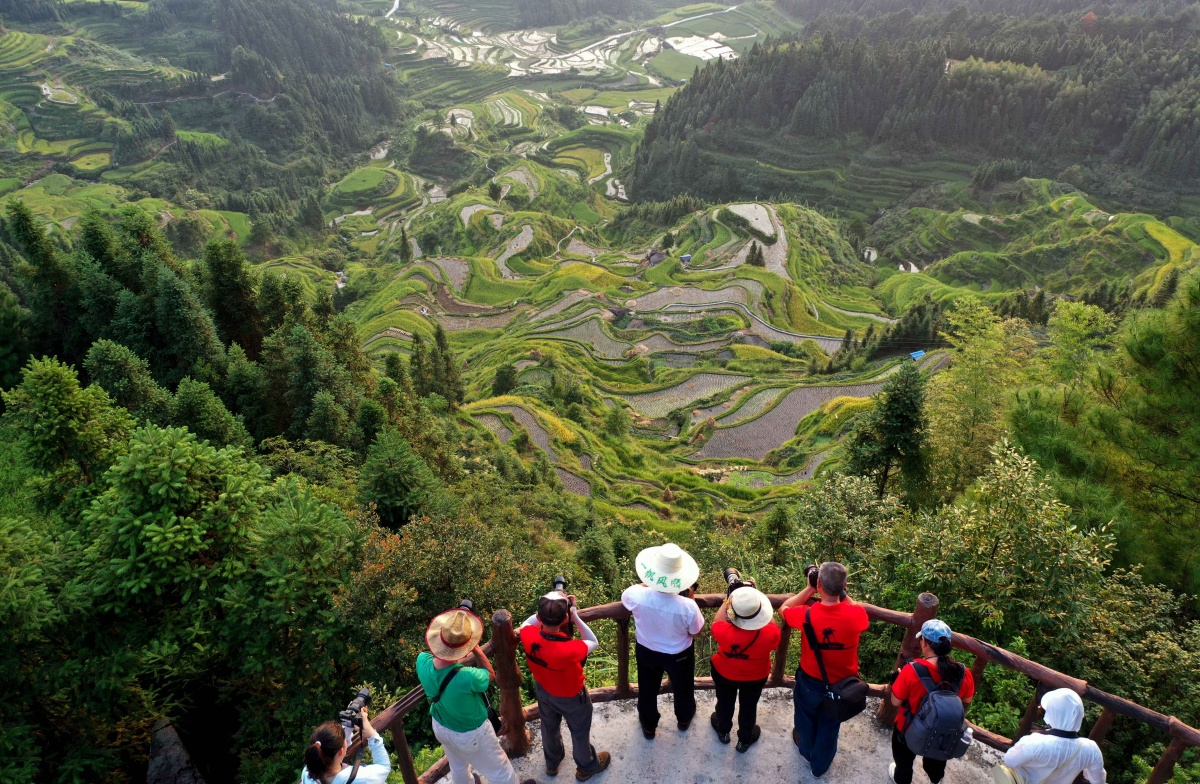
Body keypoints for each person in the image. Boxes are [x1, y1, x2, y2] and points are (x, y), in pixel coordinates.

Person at [416, 606, 536, 784]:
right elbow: (490, 676)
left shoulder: (422, 661)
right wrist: (477, 650)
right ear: (466, 647)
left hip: (441, 726)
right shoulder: (467, 677)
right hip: (471, 734)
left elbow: (435, 657)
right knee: (499, 769)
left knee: (457, 765)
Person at [779, 561, 870, 778]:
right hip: (842, 686)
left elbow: (784, 609)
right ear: (845, 585)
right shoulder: (857, 615)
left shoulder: (807, 614)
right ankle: (819, 767)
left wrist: (810, 588)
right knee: (830, 726)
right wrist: (839, 590)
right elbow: (853, 606)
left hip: (811, 682)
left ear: (819, 583)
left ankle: (806, 750)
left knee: (805, 718)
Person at [520, 589, 612, 781]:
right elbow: (592, 640)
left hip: (544, 691)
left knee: (549, 727)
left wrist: (552, 601)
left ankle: (552, 763)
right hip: (572, 698)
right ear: (564, 620)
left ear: (539, 617)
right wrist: (574, 614)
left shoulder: (528, 636)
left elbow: (528, 622)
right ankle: (586, 766)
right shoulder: (570, 649)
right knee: (579, 732)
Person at [621, 542, 705, 739]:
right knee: (683, 687)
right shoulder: (687, 606)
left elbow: (628, 595)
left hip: (647, 651)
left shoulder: (636, 595)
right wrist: (691, 599)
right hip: (679, 655)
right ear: (680, 578)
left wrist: (650, 583)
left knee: (647, 688)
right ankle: (684, 719)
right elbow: (696, 633)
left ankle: (649, 727)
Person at [888, 619, 975, 784]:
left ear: (925, 643)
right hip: (943, 729)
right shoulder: (963, 672)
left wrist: (896, 681)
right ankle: (936, 779)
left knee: (904, 762)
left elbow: (895, 702)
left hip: (908, 727)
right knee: (936, 759)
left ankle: (902, 779)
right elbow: (967, 699)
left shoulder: (911, 671)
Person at [709, 579, 781, 753]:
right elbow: (770, 621)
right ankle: (744, 740)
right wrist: (757, 597)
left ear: (733, 611)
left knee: (725, 703)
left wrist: (730, 597)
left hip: (724, 673)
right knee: (749, 707)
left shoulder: (723, 630)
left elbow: (716, 621)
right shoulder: (770, 633)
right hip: (755, 677)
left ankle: (723, 730)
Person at [997, 689, 1106, 784]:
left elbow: (1009, 760)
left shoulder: (1035, 741)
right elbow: (1098, 780)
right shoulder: (1091, 749)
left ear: (1052, 713)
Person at [302, 708, 391, 784]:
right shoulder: (361, 779)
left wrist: (347, 726)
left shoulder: (308, 772)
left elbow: (333, 751)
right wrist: (372, 735)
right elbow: (384, 767)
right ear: (341, 751)